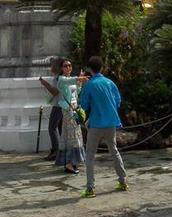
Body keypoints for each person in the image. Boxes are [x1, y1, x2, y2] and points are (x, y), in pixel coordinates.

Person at [79, 56, 128, 198]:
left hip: (96, 123)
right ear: (102, 67)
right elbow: (118, 100)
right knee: (114, 151)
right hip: (111, 122)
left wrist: (83, 87)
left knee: (90, 156)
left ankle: (90, 188)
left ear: (89, 69)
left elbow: (84, 106)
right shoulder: (109, 82)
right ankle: (123, 181)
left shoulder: (90, 85)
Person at [55, 59, 86, 175]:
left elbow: (76, 92)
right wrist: (79, 78)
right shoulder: (61, 80)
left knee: (72, 135)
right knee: (72, 135)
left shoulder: (71, 80)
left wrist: (79, 82)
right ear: (62, 68)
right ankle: (69, 163)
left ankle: (71, 163)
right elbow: (69, 81)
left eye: (69, 65)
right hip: (68, 110)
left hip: (74, 108)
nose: (68, 67)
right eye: (65, 66)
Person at [39, 58, 63, 161]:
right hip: (61, 105)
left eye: (53, 65)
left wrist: (45, 84)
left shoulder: (59, 79)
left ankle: (56, 151)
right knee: (61, 129)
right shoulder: (59, 77)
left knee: (52, 128)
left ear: (58, 67)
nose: (51, 67)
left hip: (58, 106)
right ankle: (62, 150)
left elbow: (55, 92)